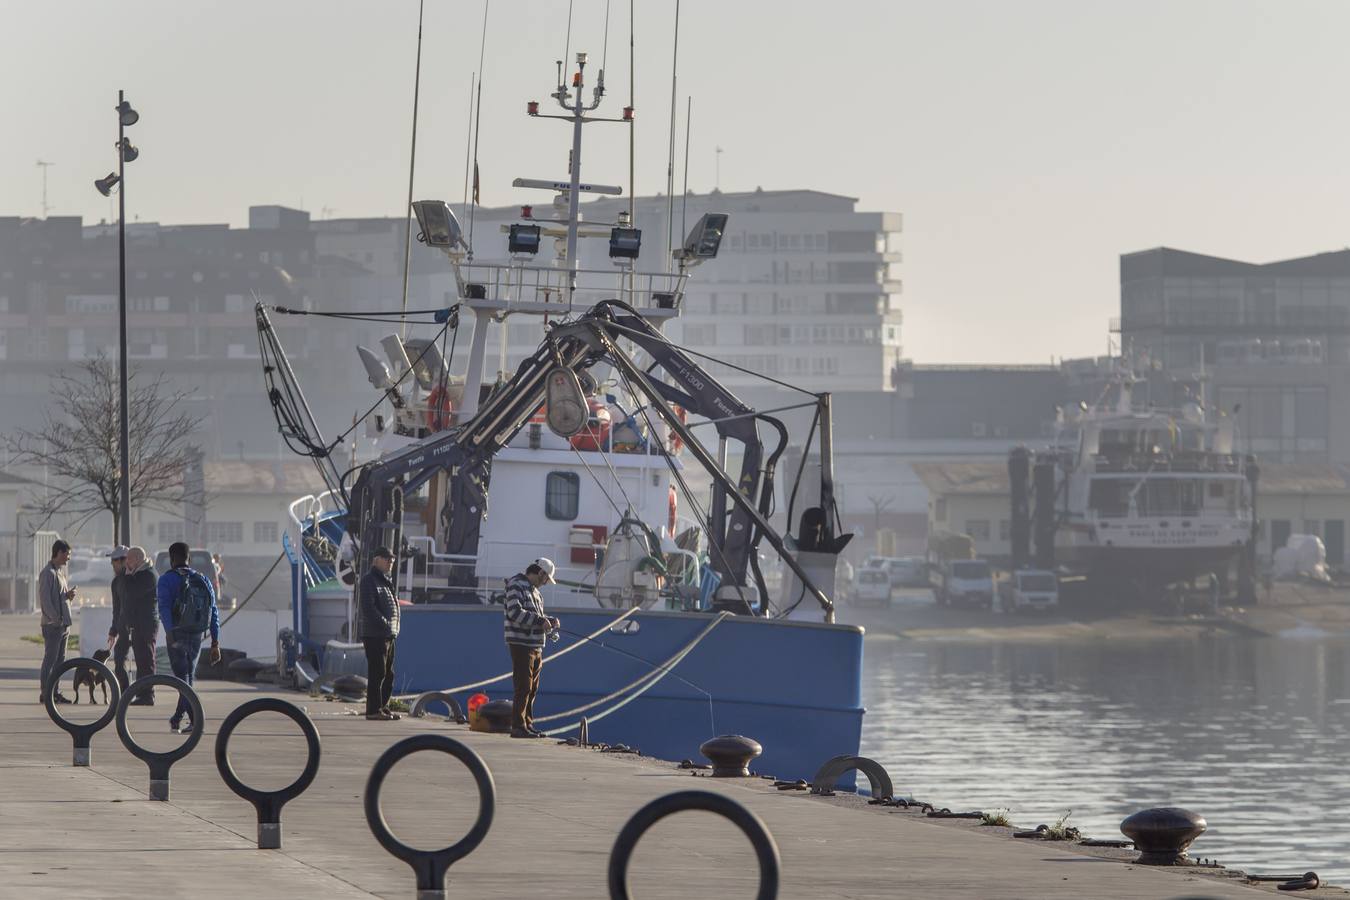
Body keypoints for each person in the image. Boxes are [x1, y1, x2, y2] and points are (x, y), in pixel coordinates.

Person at [157, 542, 221, 733]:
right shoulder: (203, 579)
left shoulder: (166, 580)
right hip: (196, 634)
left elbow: (164, 608)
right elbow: (213, 611)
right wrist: (215, 641)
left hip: (176, 633)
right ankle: (182, 719)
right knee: (187, 678)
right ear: (189, 558)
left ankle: (190, 720)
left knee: (182, 680)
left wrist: (169, 632)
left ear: (171, 558)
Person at [502, 558, 559, 738]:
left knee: (532, 688)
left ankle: (527, 723)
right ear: (541, 573)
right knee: (523, 686)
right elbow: (515, 612)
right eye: (545, 579)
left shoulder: (536, 593)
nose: (545, 583)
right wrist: (541, 621)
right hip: (520, 644)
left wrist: (549, 621)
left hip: (536, 645)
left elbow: (536, 616)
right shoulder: (516, 584)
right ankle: (518, 726)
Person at [359, 546, 401, 722]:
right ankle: (373, 710)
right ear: (376, 560)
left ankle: (383, 706)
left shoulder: (385, 581)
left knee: (388, 674)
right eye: (387, 558)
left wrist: (392, 629)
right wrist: (385, 625)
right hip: (376, 635)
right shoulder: (369, 580)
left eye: (392, 559)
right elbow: (369, 608)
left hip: (387, 635)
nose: (391, 562)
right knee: (378, 673)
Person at [38, 540, 76, 705]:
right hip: (53, 626)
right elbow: (45, 601)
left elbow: (57, 598)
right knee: (50, 660)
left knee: (60, 662)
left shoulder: (60, 572)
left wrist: (68, 596)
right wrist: (56, 619)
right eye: (67, 554)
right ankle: (46, 692)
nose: (68, 558)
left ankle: (55, 692)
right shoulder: (47, 573)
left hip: (63, 625)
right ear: (59, 553)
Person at [121, 547, 160, 705]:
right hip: (138, 623)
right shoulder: (139, 574)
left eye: (129, 559)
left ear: (137, 559)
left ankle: (148, 694)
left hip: (146, 623)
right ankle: (141, 693)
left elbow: (132, 592)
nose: (126, 563)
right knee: (140, 659)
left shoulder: (148, 575)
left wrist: (128, 576)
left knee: (146, 659)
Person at [105, 546, 131, 691]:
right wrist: (113, 631)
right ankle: (126, 692)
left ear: (124, 560)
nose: (112, 564)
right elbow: (116, 608)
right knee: (119, 661)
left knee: (144, 661)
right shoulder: (116, 583)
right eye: (112, 560)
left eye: (114, 560)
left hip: (140, 626)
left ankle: (145, 694)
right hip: (123, 628)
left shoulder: (134, 578)